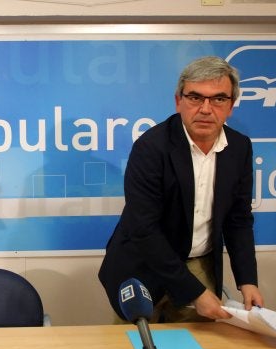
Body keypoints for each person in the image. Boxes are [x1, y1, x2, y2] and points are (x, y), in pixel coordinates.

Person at [98, 56, 264, 323]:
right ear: (178, 101)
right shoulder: (151, 147)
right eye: (195, 98)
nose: (206, 109)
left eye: (218, 99)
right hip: (143, 264)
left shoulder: (239, 148)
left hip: (199, 263)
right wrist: (194, 292)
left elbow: (238, 220)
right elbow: (143, 229)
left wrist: (248, 280)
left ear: (231, 106)